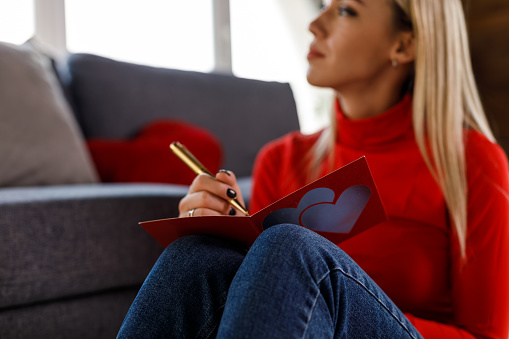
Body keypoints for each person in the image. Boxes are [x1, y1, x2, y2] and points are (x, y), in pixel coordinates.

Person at [117, 0, 509, 338]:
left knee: (291, 245)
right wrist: (216, 230)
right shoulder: (282, 158)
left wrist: (333, 303)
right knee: (195, 253)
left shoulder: (473, 162)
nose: (314, 24)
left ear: (404, 44)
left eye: (345, 10)